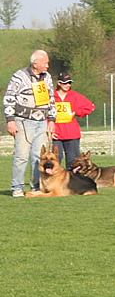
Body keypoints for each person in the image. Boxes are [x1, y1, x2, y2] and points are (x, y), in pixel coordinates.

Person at [4, 50, 56, 197]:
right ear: (35, 64)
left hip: (41, 122)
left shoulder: (47, 77)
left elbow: (51, 99)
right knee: (21, 155)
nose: (47, 66)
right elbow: (9, 98)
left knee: (39, 156)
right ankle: (17, 187)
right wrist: (10, 120)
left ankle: (35, 187)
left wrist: (52, 120)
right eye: (45, 63)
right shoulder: (19, 76)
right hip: (23, 121)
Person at [53, 72, 96, 169]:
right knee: (55, 160)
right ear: (59, 83)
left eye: (69, 83)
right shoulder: (51, 96)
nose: (67, 85)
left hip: (72, 133)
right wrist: (48, 127)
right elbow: (44, 112)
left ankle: (73, 182)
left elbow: (90, 107)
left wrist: (76, 112)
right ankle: (55, 182)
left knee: (73, 162)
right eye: (65, 83)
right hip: (56, 133)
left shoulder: (75, 96)